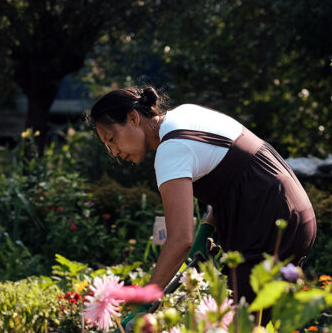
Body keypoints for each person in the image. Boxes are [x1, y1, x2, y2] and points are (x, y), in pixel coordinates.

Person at [89, 86, 316, 301]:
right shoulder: (185, 113)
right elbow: (233, 174)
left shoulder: (171, 149)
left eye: (112, 139)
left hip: (269, 223)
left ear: (133, 118)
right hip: (292, 208)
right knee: (252, 326)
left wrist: (145, 300)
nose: (115, 152)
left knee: (242, 332)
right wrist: (208, 228)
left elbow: (180, 240)